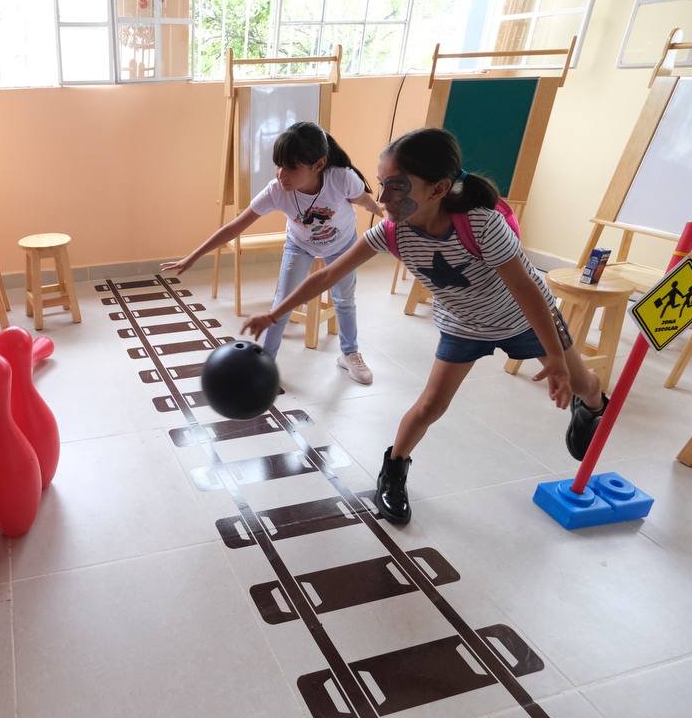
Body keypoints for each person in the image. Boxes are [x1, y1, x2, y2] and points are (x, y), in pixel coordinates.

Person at [241, 128, 608, 525]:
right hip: (463, 324)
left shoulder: (481, 224)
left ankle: (592, 407)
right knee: (429, 406)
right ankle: (394, 470)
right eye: (381, 185)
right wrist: (275, 314)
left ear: (439, 189)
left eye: (397, 186)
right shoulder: (392, 231)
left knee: (583, 382)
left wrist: (554, 356)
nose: (382, 199)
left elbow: (526, 290)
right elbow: (328, 276)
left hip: (523, 319)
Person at [163, 121, 384, 383]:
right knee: (281, 305)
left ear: (318, 164)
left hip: (342, 244)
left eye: (291, 167)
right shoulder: (277, 191)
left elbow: (366, 202)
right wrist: (193, 257)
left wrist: (386, 215)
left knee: (344, 300)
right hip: (300, 245)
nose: (281, 174)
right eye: (278, 165)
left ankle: (350, 354)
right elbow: (234, 227)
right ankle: (264, 365)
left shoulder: (342, 178)